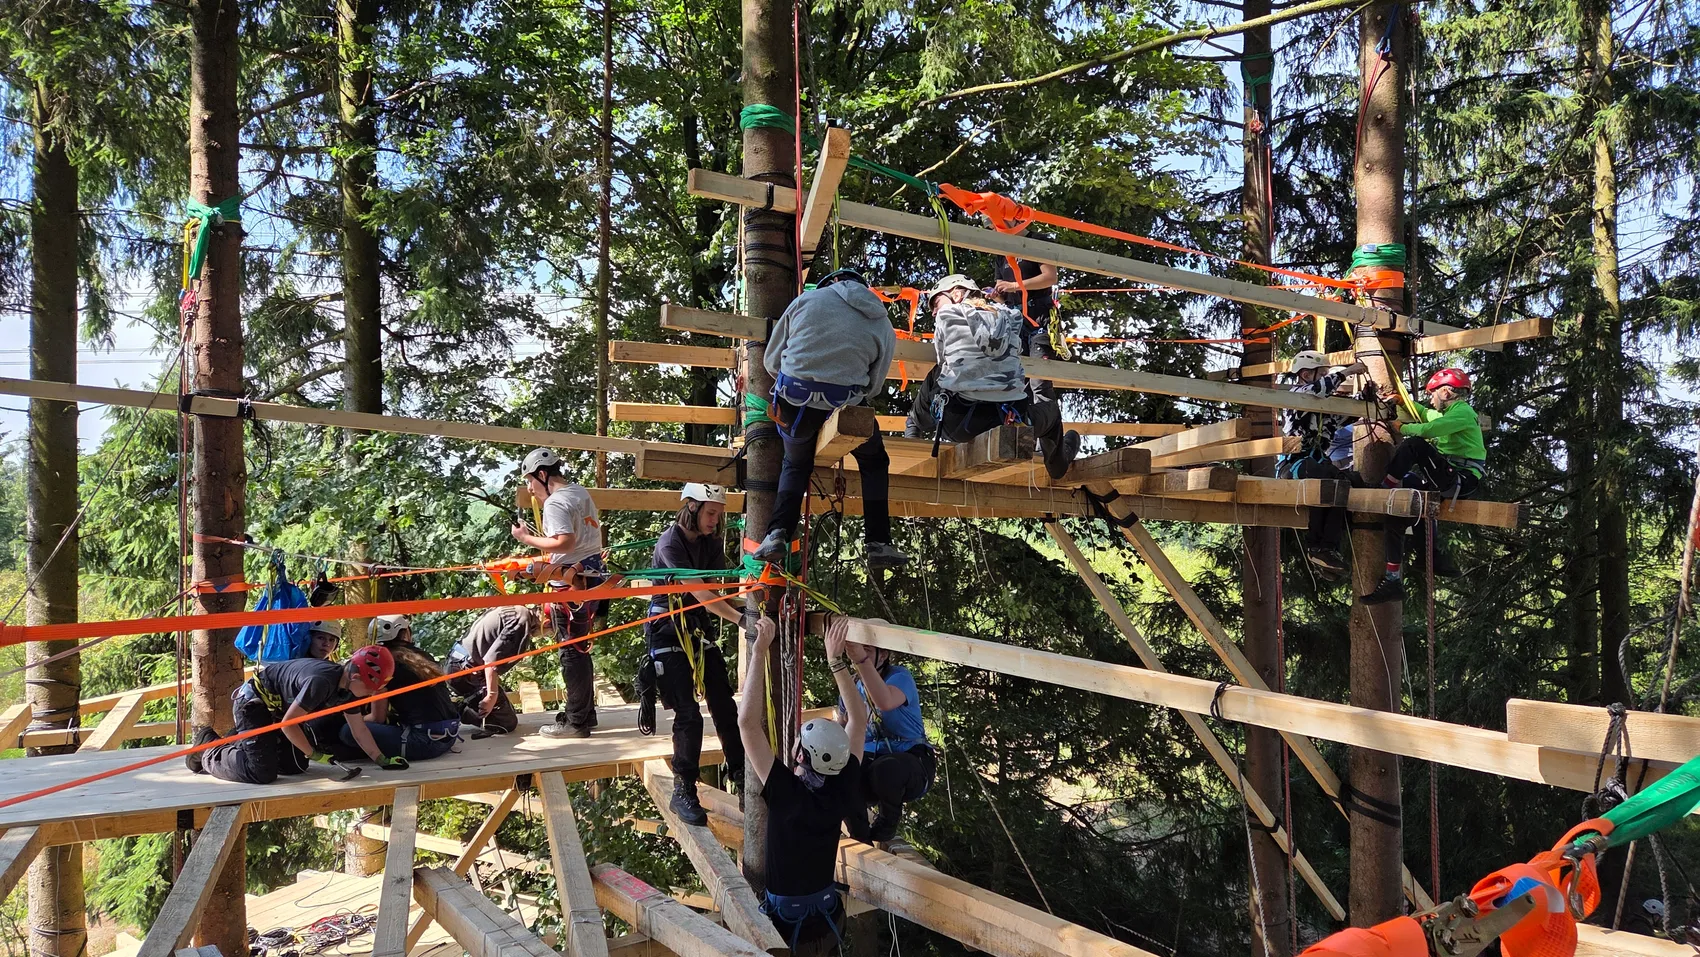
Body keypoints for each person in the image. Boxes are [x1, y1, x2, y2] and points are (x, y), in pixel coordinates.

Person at [750, 268, 908, 572]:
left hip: (795, 404)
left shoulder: (806, 301)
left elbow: (771, 361)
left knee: (796, 464)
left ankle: (776, 534)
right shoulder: (881, 320)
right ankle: (878, 542)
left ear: (832, 283)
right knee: (874, 462)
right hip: (845, 403)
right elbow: (873, 387)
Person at [739, 614, 871, 951]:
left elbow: (747, 725)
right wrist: (836, 661)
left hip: (787, 930)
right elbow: (859, 719)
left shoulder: (787, 794)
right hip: (823, 922)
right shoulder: (842, 787)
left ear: (800, 756)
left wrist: (758, 651)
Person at [643, 483, 747, 825]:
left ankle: (742, 776)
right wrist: (741, 619)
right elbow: (698, 589)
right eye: (711, 513)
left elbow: (716, 590)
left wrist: (746, 606)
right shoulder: (669, 543)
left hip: (697, 625)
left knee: (724, 704)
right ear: (691, 507)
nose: (715, 522)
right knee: (688, 713)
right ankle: (683, 789)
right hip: (667, 625)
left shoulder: (711, 543)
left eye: (718, 515)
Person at [909, 274, 1081, 479]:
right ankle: (1057, 464)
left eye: (936, 302)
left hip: (960, 423)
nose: (935, 311)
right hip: (1011, 421)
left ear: (956, 293)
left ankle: (914, 428)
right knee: (1050, 411)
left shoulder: (947, 315)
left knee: (936, 374)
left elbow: (943, 360)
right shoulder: (1011, 317)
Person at [187, 646, 405, 784]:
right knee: (261, 772)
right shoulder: (321, 682)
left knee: (295, 766)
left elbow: (359, 730)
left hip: (275, 710)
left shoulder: (347, 690)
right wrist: (314, 753)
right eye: (369, 690)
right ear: (356, 676)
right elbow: (289, 725)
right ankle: (208, 749)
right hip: (252, 705)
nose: (370, 696)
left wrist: (381, 759)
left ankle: (241, 744)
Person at [1364, 368, 1485, 604]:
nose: (1431, 398)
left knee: (1416, 445)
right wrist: (1403, 401)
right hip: (1449, 477)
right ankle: (1393, 578)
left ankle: (1384, 488)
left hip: (1461, 478)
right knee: (1398, 511)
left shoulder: (1463, 412)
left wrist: (1401, 428)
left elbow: (1429, 429)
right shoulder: (1451, 413)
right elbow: (1426, 415)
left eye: (1433, 394)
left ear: (1447, 392)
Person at [512, 448, 607, 738]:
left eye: (530, 480)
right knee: (580, 648)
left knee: (571, 652)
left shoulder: (555, 503)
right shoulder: (580, 493)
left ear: (542, 475)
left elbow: (565, 543)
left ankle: (576, 722)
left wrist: (525, 537)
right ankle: (585, 714)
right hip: (590, 580)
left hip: (571, 585)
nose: (529, 488)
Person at [1276, 351, 1368, 582]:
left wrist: (1364, 398)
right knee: (1325, 477)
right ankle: (1316, 547)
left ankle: (1328, 548)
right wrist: (1347, 371)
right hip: (1293, 465)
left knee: (1344, 481)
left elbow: (1344, 417)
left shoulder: (1322, 408)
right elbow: (1317, 390)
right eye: (1322, 374)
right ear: (1306, 374)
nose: (1327, 379)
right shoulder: (1297, 396)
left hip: (1316, 464)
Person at [844, 637, 935, 843]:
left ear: (883, 655)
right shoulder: (854, 685)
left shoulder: (900, 677)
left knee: (885, 769)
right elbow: (845, 723)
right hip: (872, 759)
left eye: (867, 649)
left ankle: (887, 824)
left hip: (912, 762)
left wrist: (861, 660)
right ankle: (860, 836)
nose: (858, 654)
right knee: (843, 774)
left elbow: (884, 700)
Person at [341, 615, 461, 762]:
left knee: (347, 731)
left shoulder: (382, 664)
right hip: (450, 736)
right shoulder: (423, 656)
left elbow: (377, 718)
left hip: (424, 742)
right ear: (406, 633)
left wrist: (352, 720)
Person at [444, 604, 545, 736]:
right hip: (465, 673)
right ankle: (449, 709)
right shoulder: (521, 622)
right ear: (546, 622)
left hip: (458, 665)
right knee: (505, 723)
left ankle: (457, 704)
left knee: (508, 711)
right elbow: (492, 662)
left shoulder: (518, 610)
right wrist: (491, 695)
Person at [990, 224, 1063, 398]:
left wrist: (1015, 286)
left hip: (1039, 318)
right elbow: (1004, 295)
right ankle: (1023, 424)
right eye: (990, 228)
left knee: (1040, 382)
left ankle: (1049, 425)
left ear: (1011, 219)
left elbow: (1050, 277)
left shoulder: (1038, 241)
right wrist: (996, 296)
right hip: (1015, 322)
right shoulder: (1001, 252)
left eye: (994, 226)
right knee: (1016, 383)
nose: (993, 231)